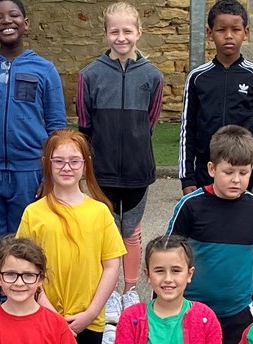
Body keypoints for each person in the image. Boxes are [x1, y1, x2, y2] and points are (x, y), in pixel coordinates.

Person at [77, 2, 166, 319]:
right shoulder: (90, 76)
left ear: (139, 32)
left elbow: (151, 122)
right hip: (102, 172)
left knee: (131, 231)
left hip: (137, 170)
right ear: (106, 33)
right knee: (107, 231)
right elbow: (84, 125)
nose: (121, 37)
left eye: (127, 30)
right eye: (114, 31)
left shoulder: (153, 77)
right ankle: (110, 292)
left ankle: (130, 291)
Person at [17, 129, 123, 344]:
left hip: (86, 316)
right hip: (44, 313)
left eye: (74, 161)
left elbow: (111, 265)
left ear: (85, 164)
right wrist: (48, 311)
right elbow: (23, 266)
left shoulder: (99, 211)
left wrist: (90, 313)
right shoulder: (34, 212)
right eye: (59, 160)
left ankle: (108, 342)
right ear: (47, 163)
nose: (67, 167)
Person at [166, 125, 253, 344]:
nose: (236, 179)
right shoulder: (190, 206)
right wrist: (163, 304)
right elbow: (168, 255)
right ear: (212, 169)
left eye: (244, 173)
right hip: (191, 310)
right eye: (228, 172)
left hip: (236, 312)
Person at [0, 0, 68, 235]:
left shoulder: (44, 70)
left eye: (13, 15)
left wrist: (50, 173)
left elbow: (57, 127)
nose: (6, 21)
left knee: (26, 238)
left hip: (29, 170)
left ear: (25, 24)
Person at [179, 0, 253, 200]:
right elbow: (187, 129)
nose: (229, 35)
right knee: (206, 228)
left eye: (236, 29)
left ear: (245, 32)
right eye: (221, 30)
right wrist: (187, 179)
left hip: (246, 173)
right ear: (209, 33)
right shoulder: (197, 78)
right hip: (206, 172)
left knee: (243, 228)